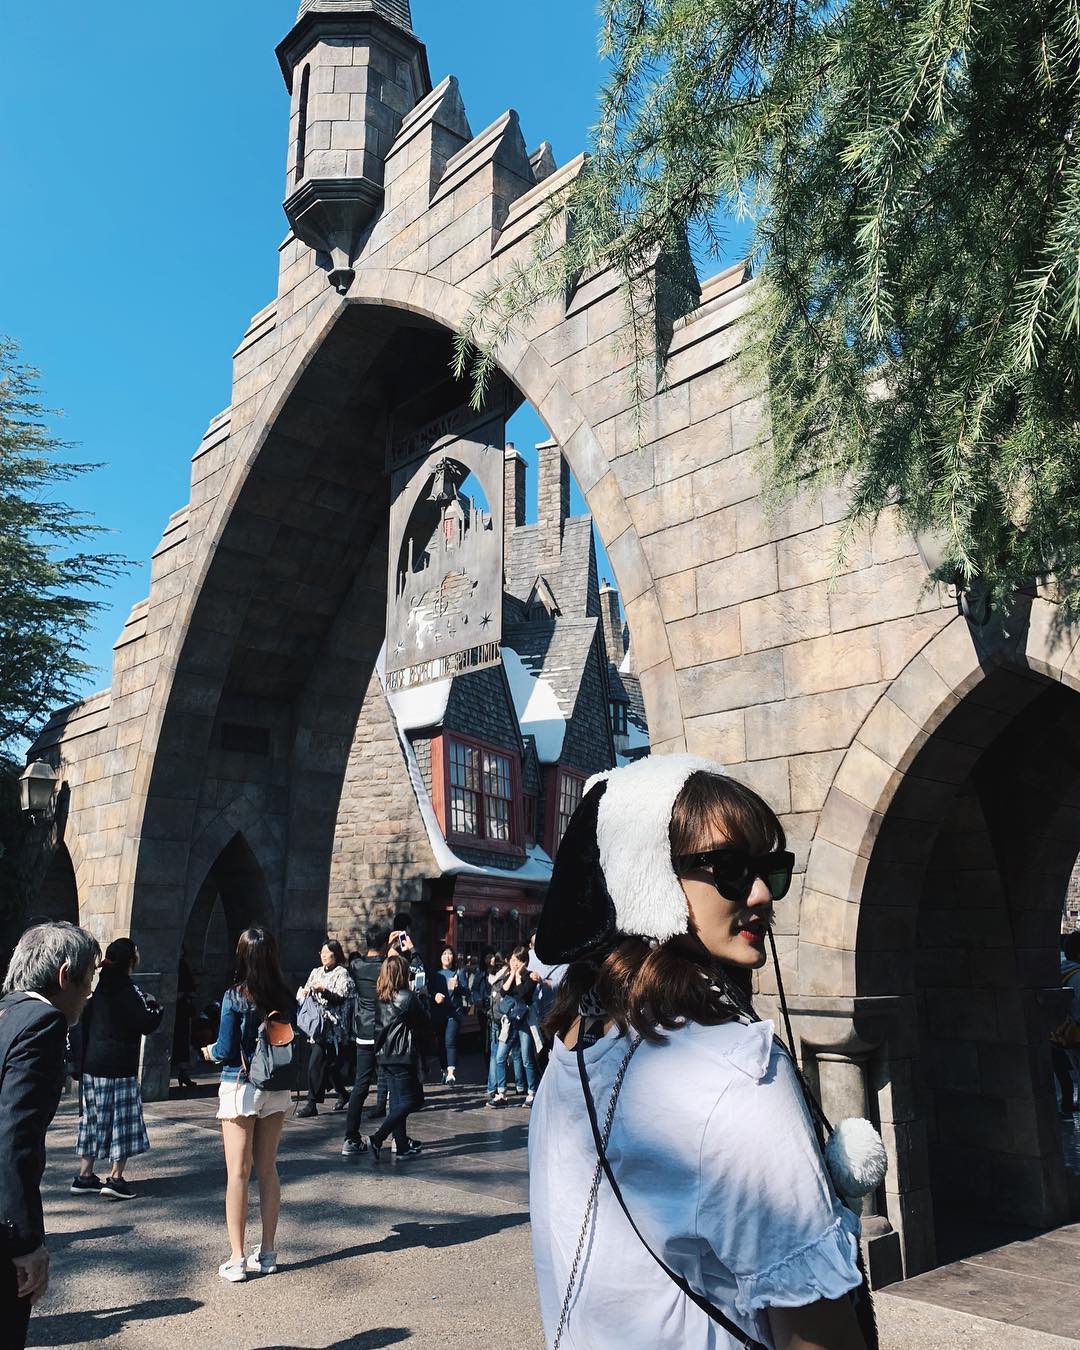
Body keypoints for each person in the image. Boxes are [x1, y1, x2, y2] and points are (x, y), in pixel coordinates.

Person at [529, 755, 871, 1350]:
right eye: (730, 869)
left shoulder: (569, 1049)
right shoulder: (737, 1073)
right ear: (647, 879)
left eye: (770, 870)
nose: (761, 893)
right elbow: (818, 1336)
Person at [0, 921, 99, 1349]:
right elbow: (15, 1138)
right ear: (65, 975)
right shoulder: (43, 1022)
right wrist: (25, 1241)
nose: (89, 993)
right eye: (89, 979)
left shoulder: (6, 1011)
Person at [202, 927, 295, 1283]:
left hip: (240, 1085)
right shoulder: (283, 994)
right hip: (275, 1086)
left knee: (238, 1173)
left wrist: (208, 1051)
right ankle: (267, 1253)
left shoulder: (235, 996)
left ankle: (237, 1258)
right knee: (268, 1169)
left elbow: (225, 1048)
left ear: (242, 956)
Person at [72, 938, 163, 1200]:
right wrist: (156, 1007)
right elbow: (146, 1022)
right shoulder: (129, 990)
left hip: (92, 1066)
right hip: (119, 1067)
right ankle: (115, 1178)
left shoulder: (98, 990)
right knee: (121, 1121)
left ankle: (85, 1175)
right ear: (130, 961)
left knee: (92, 1119)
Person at [364, 954, 432, 1160]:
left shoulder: (380, 996)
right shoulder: (407, 997)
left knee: (396, 1102)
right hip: (402, 1055)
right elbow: (424, 1022)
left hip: (385, 1054)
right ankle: (378, 1138)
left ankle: (401, 1145)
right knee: (413, 1100)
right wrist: (423, 997)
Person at [341, 925, 389, 1156]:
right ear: (385, 943)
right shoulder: (388, 966)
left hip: (364, 1030)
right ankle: (398, 1139)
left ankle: (350, 1137)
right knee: (394, 1084)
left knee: (360, 1085)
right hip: (385, 1030)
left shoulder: (356, 965)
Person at [296, 940, 355, 1118]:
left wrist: (324, 991)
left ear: (335, 954)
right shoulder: (316, 972)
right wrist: (305, 993)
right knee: (328, 1066)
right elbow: (307, 989)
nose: (323, 956)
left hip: (333, 1028)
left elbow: (341, 997)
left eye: (326, 952)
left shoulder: (342, 973)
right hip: (317, 1026)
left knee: (317, 1063)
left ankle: (312, 1103)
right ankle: (343, 1093)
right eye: (321, 952)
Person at [491, 946, 539, 1107]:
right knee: (500, 1057)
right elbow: (503, 992)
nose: (514, 963)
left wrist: (518, 976)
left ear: (524, 962)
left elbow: (524, 994)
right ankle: (501, 1093)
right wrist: (512, 974)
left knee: (526, 1059)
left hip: (524, 1022)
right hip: (510, 1022)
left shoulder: (531, 977)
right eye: (513, 959)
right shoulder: (509, 975)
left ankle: (532, 1093)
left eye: (518, 960)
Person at [430, 946, 468, 1085]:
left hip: (454, 1012)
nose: (447, 956)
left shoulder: (459, 972)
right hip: (439, 1012)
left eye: (450, 954)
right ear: (440, 957)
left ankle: (451, 1072)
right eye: (444, 953)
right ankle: (444, 1071)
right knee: (441, 1042)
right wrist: (435, 995)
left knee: (450, 1040)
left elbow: (466, 991)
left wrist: (458, 986)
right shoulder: (436, 973)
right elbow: (429, 989)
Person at [172, 947, 196, 1091]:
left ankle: (183, 1074)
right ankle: (183, 1074)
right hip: (180, 1009)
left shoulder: (182, 965)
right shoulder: (180, 964)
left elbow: (190, 989)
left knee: (182, 1042)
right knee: (181, 1042)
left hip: (181, 1010)